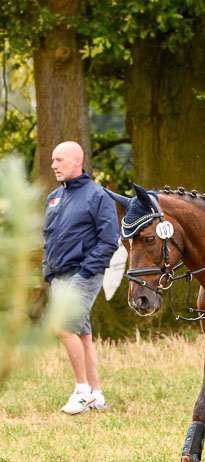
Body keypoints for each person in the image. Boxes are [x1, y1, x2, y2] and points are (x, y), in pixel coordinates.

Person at [42, 141, 119, 414]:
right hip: (58, 277)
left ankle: (82, 391)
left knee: (63, 327)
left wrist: (86, 271)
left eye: (59, 160)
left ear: (77, 161)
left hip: (84, 274)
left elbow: (110, 240)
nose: (53, 166)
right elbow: (48, 239)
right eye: (53, 160)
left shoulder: (98, 196)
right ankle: (96, 394)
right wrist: (49, 275)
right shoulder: (54, 197)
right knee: (82, 334)